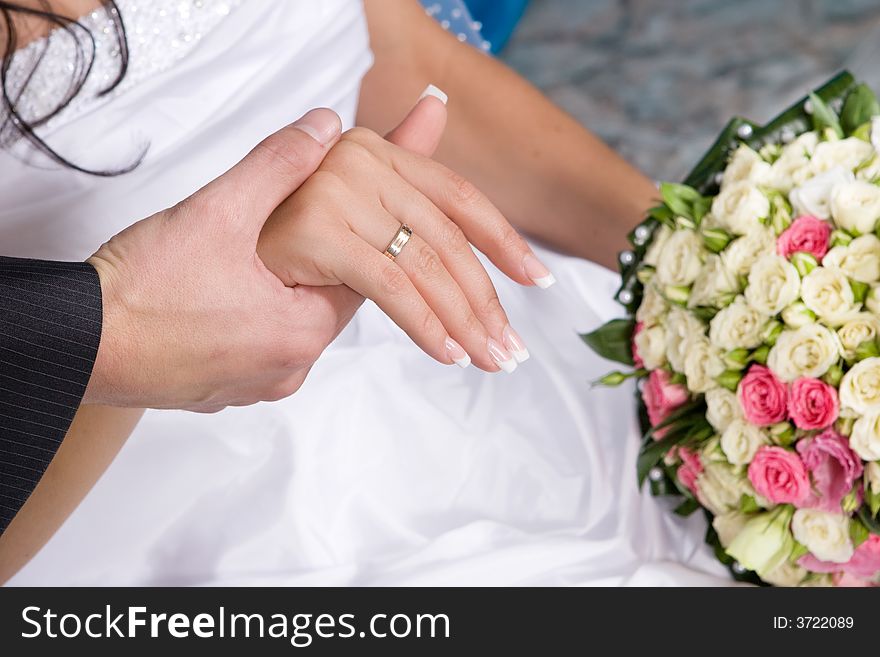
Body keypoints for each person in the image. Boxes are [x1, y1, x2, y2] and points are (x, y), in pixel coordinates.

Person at [1, 0, 731, 586]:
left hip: (485, 341)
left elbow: (397, 56)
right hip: (157, 497)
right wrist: (134, 327)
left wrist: (705, 257)